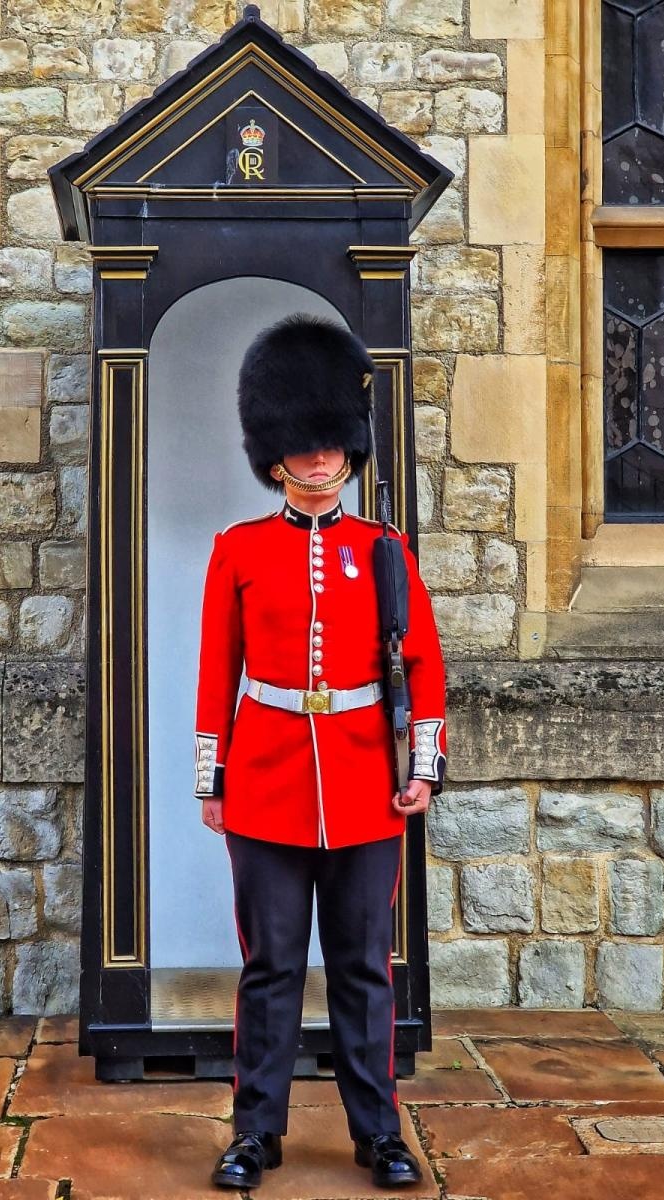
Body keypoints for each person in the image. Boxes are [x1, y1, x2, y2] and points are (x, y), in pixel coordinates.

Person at [194, 313, 447, 1190]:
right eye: (303, 447)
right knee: (269, 971)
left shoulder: (384, 552)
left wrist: (421, 768)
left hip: (363, 786)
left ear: (348, 448)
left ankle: (377, 1133)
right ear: (276, 455)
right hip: (264, 788)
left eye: (332, 444)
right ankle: (255, 1132)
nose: (320, 460)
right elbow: (216, 673)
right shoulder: (239, 551)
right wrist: (213, 777)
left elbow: (420, 663)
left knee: (362, 970)